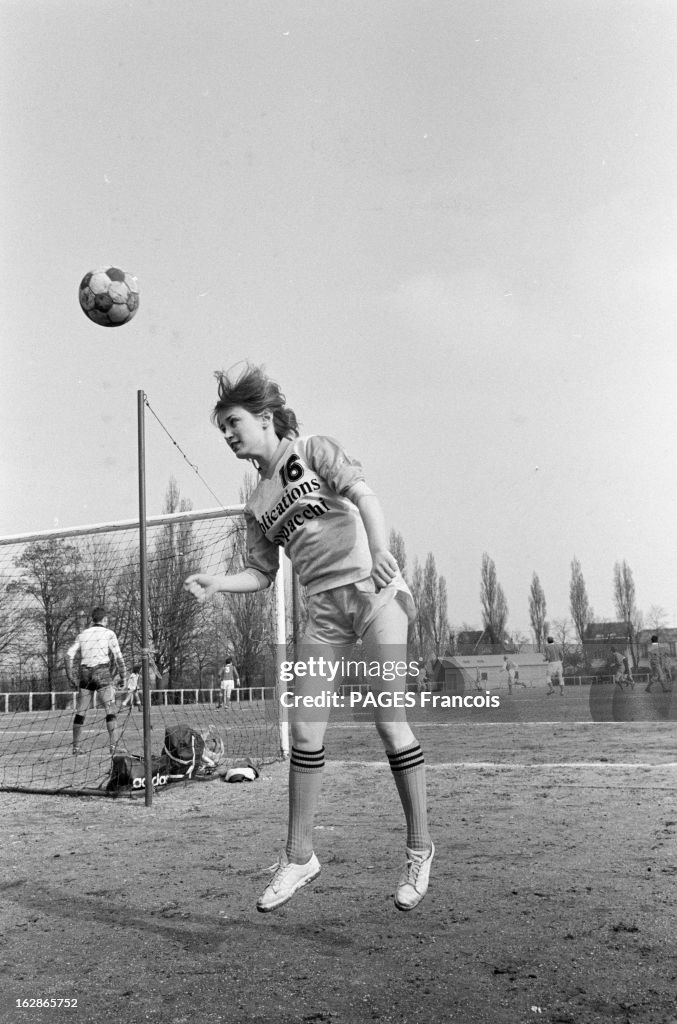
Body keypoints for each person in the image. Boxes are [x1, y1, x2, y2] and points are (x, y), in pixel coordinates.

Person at [184, 364, 433, 913]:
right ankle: (299, 856)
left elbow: (366, 497)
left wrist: (381, 548)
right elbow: (261, 574)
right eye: (222, 427)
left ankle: (419, 848)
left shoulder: (315, 450)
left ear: (266, 417)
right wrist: (216, 583)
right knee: (304, 730)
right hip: (320, 614)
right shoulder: (255, 503)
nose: (228, 434)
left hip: (373, 597)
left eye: (234, 421)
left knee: (389, 722)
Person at [65, 606, 127, 755]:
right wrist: (124, 676)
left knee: (81, 711)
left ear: (93, 619)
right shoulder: (109, 633)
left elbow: (68, 656)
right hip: (102, 672)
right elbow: (118, 657)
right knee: (110, 709)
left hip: (85, 672)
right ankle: (113, 746)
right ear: (105, 619)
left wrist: (70, 676)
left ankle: (76, 747)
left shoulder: (82, 634)